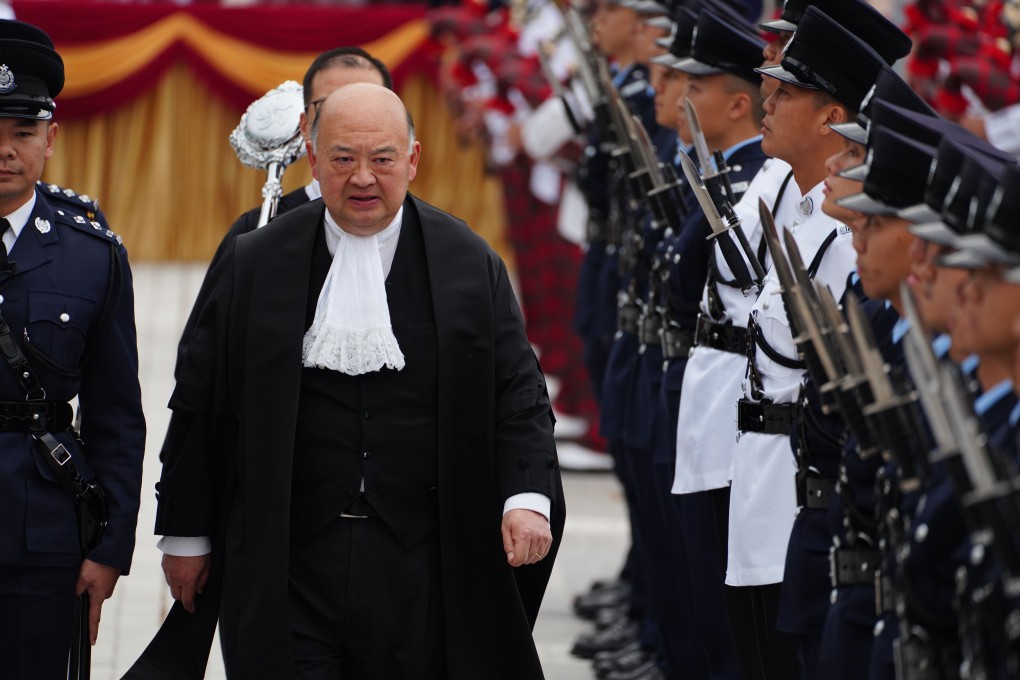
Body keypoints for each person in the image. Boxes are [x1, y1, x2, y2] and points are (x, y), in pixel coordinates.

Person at [154, 83, 564, 679]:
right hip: (288, 559)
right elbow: (202, 404)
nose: (364, 178)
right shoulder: (255, 261)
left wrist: (527, 499)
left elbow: (519, 395)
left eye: (383, 159)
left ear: (413, 160)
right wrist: (187, 536)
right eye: (343, 159)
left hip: (423, 564)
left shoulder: (468, 263)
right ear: (314, 162)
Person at [0, 19, 145, 678]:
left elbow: (117, 415)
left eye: (22, 132)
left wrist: (109, 547)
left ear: (50, 138)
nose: (5, 150)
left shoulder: (93, 257)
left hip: (44, 539)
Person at [175, 46, 391, 368]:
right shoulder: (256, 234)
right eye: (331, 104)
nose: (351, 117)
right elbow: (202, 365)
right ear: (305, 125)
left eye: (369, 104)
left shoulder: (438, 243)